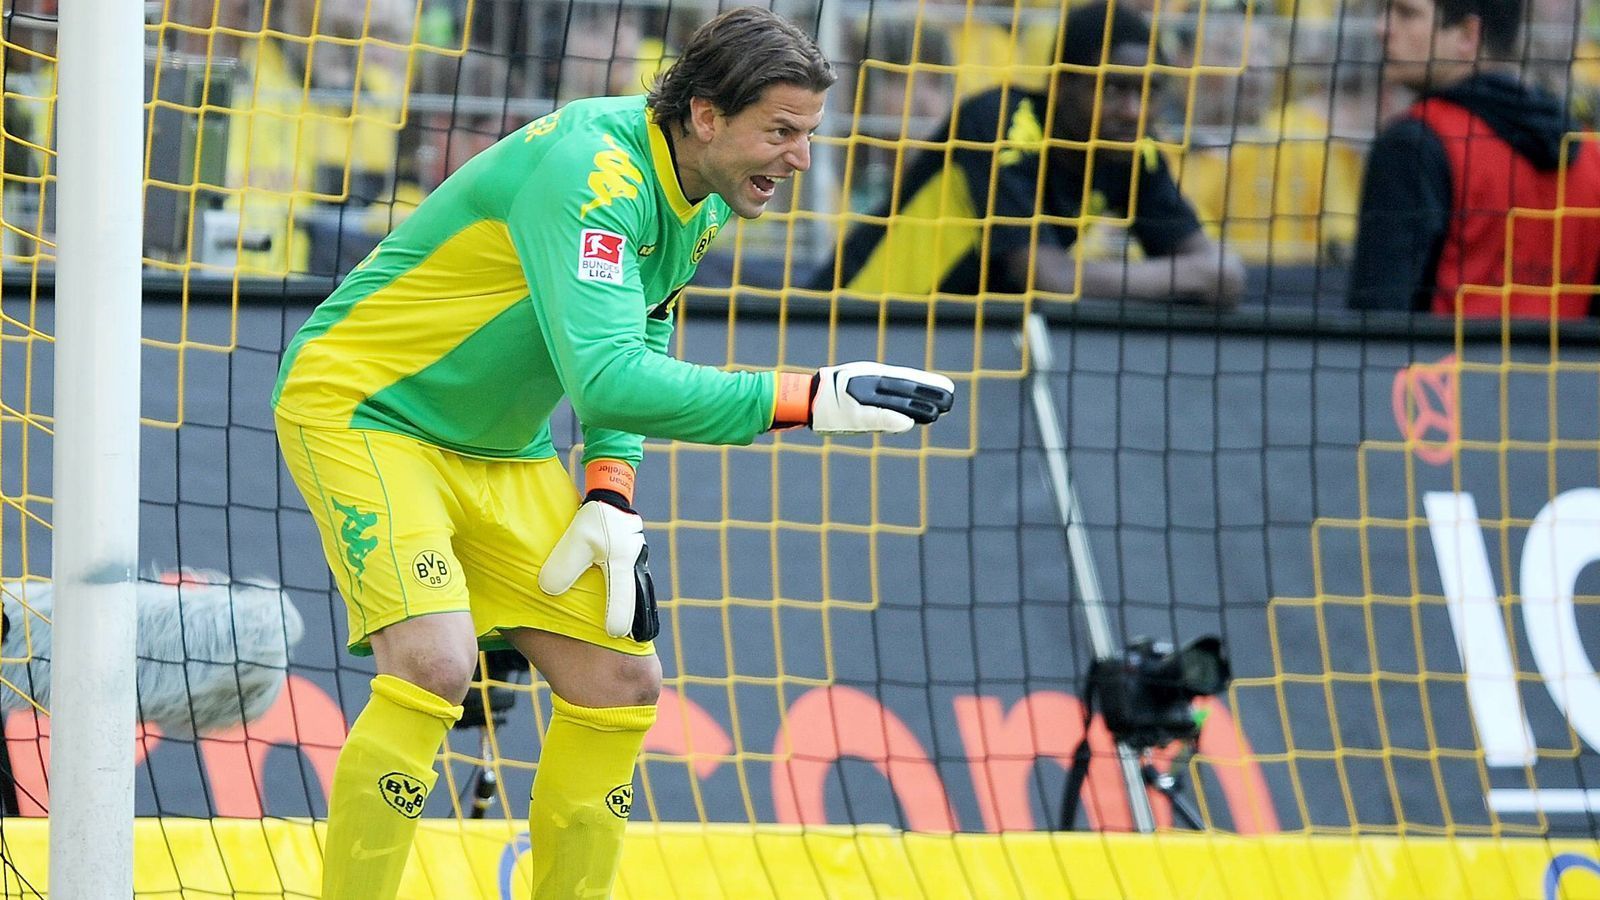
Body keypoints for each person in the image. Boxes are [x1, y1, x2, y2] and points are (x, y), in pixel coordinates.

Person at [269, 8, 955, 899]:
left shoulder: (699, 193)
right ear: (707, 115)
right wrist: (809, 399)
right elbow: (606, 380)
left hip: (499, 445)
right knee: (436, 664)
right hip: (363, 409)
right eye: (781, 132)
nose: (801, 159)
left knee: (622, 680)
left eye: (810, 134)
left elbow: (648, 317)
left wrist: (610, 487)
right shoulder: (594, 173)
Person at [813, 0, 1244, 306]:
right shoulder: (1000, 123)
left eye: (1148, 91)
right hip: (857, 316)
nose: (1133, 111)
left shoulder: (1134, 153)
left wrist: (1203, 272)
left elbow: (1223, 277)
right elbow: (1044, 277)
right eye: (1113, 89)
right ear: (1060, 84)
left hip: (965, 337)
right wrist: (1188, 276)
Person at [1346, 0, 1600, 317]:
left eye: (1406, 14)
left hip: (1448, 366)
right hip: (1561, 368)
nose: (1381, 28)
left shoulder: (1414, 143)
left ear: (1468, 34)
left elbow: (1376, 324)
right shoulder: (1590, 153)